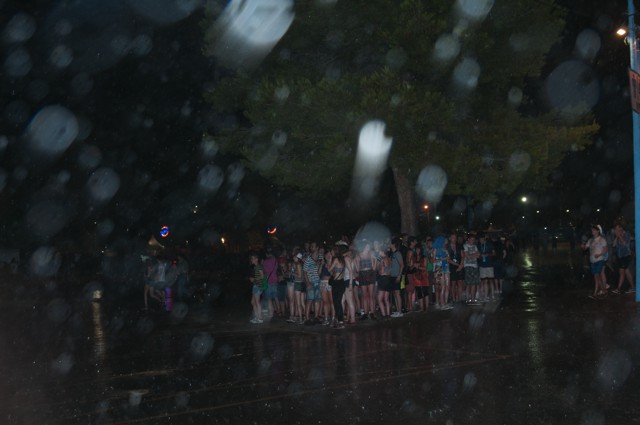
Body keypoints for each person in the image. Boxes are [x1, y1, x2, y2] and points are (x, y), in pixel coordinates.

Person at [582, 224, 608, 299]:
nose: (592, 231)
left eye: (593, 230)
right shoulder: (590, 240)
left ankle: (596, 293)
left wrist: (599, 254)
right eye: (592, 230)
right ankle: (603, 292)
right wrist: (583, 246)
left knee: (597, 276)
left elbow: (605, 250)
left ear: (597, 231)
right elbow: (585, 248)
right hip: (592, 261)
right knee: (596, 278)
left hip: (599, 260)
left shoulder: (602, 239)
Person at [355, 239, 377, 320]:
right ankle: (365, 313)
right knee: (364, 296)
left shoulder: (371, 254)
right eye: (367, 247)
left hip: (371, 274)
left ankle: (372, 313)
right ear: (363, 247)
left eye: (369, 247)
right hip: (362, 274)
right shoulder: (359, 255)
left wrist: (374, 260)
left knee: (371, 295)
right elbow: (357, 270)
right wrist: (356, 262)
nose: (368, 248)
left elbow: (374, 268)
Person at [612, 222, 635, 294]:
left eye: (617, 229)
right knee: (627, 271)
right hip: (620, 257)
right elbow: (613, 245)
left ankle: (618, 289)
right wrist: (617, 237)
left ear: (621, 228)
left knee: (621, 272)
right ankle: (633, 288)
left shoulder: (626, 234)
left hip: (626, 256)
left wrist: (619, 236)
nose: (616, 230)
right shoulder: (617, 235)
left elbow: (625, 243)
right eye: (615, 229)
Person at [303, 241, 322, 324]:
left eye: (313, 246)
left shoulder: (321, 257)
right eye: (311, 246)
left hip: (318, 281)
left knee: (317, 300)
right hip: (310, 282)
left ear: (317, 248)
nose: (311, 248)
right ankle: (307, 319)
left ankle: (316, 317)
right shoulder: (308, 258)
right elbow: (304, 272)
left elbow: (320, 270)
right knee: (309, 300)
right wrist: (307, 283)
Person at [462, 233, 481, 304]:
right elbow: (467, 256)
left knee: (474, 283)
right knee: (468, 283)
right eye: (471, 239)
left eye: (474, 240)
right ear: (468, 239)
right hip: (468, 266)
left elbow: (478, 255)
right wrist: (474, 255)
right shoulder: (465, 246)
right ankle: (467, 299)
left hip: (475, 266)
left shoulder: (475, 246)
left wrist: (472, 255)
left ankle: (473, 299)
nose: (473, 241)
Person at [262, 247, 279, 320]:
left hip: (268, 281)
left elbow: (264, 272)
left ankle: (271, 313)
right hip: (275, 280)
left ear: (266, 254)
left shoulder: (265, 262)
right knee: (275, 297)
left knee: (269, 299)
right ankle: (279, 311)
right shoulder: (275, 260)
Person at [389, 238, 404, 317]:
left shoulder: (397, 253)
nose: (389, 245)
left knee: (397, 294)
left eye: (390, 243)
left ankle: (400, 311)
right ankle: (398, 310)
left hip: (396, 276)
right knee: (395, 294)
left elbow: (402, 265)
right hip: (392, 276)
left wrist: (399, 276)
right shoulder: (392, 254)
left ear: (393, 244)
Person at [249, 253, 264, 324]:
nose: (251, 260)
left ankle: (260, 318)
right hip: (256, 286)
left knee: (257, 302)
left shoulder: (258, 266)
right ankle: (256, 317)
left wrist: (254, 279)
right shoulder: (255, 267)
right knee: (253, 302)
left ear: (256, 259)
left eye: (252, 258)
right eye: (251, 258)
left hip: (258, 286)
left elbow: (262, 276)